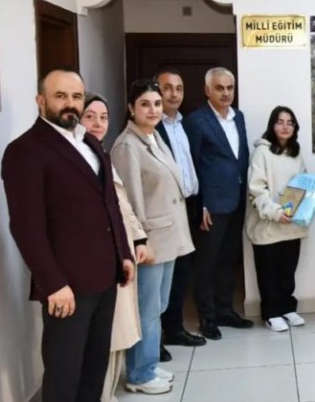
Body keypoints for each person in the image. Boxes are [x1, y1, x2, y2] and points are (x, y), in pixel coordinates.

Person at [1, 68, 135, 402]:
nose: (70, 103)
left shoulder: (89, 142)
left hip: (105, 277)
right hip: (67, 287)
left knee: (94, 368)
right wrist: (53, 283)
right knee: (64, 374)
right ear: (41, 100)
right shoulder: (25, 150)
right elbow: (26, 226)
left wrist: (123, 252)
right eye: (60, 96)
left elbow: (109, 203)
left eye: (76, 96)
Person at [111, 79, 195, 394]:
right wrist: (139, 241)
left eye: (157, 104)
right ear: (131, 108)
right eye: (145, 104)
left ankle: (147, 364)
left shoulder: (154, 137)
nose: (153, 110)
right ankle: (139, 374)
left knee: (157, 306)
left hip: (168, 237)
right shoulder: (127, 146)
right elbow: (130, 201)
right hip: (150, 242)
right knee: (146, 310)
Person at [82, 93, 152, 402]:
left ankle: (106, 394)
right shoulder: (79, 158)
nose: (98, 124)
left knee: (117, 336)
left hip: (120, 255)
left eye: (103, 117)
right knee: (105, 338)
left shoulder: (103, 155)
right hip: (101, 260)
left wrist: (138, 239)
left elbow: (121, 205)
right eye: (90, 117)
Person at [185, 67, 254, 339]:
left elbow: (240, 156)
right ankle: (207, 317)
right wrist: (200, 204)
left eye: (229, 88)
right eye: (219, 88)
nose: (226, 93)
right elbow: (192, 164)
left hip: (236, 200)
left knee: (228, 259)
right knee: (207, 262)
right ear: (207, 91)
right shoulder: (196, 121)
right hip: (211, 205)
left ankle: (225, 310)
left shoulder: (239, 117)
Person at [154, 69, 206, 358]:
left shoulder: (185, 125)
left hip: (188, 206)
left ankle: (174, 329)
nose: (174, 94)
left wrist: (201, 204)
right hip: (163, 210)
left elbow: (194, 165)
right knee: (160, 278)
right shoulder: (150, 127)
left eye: (179, 88)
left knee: (181, 273)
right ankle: (155, 339)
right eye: (167, 88)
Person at [245, 106, 309, 332]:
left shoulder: (296, 153)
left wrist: (301, 208)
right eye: (280, 122)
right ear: (272, 125)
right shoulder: (261, 152)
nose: (285, 126)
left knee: (287, 271)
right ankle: (271, 313)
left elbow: (303, 183)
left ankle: (287, 308)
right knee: (268, 272)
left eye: (290, 123)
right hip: (268, 224)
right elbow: (256, 189)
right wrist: (275, 212)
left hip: (291, 225)